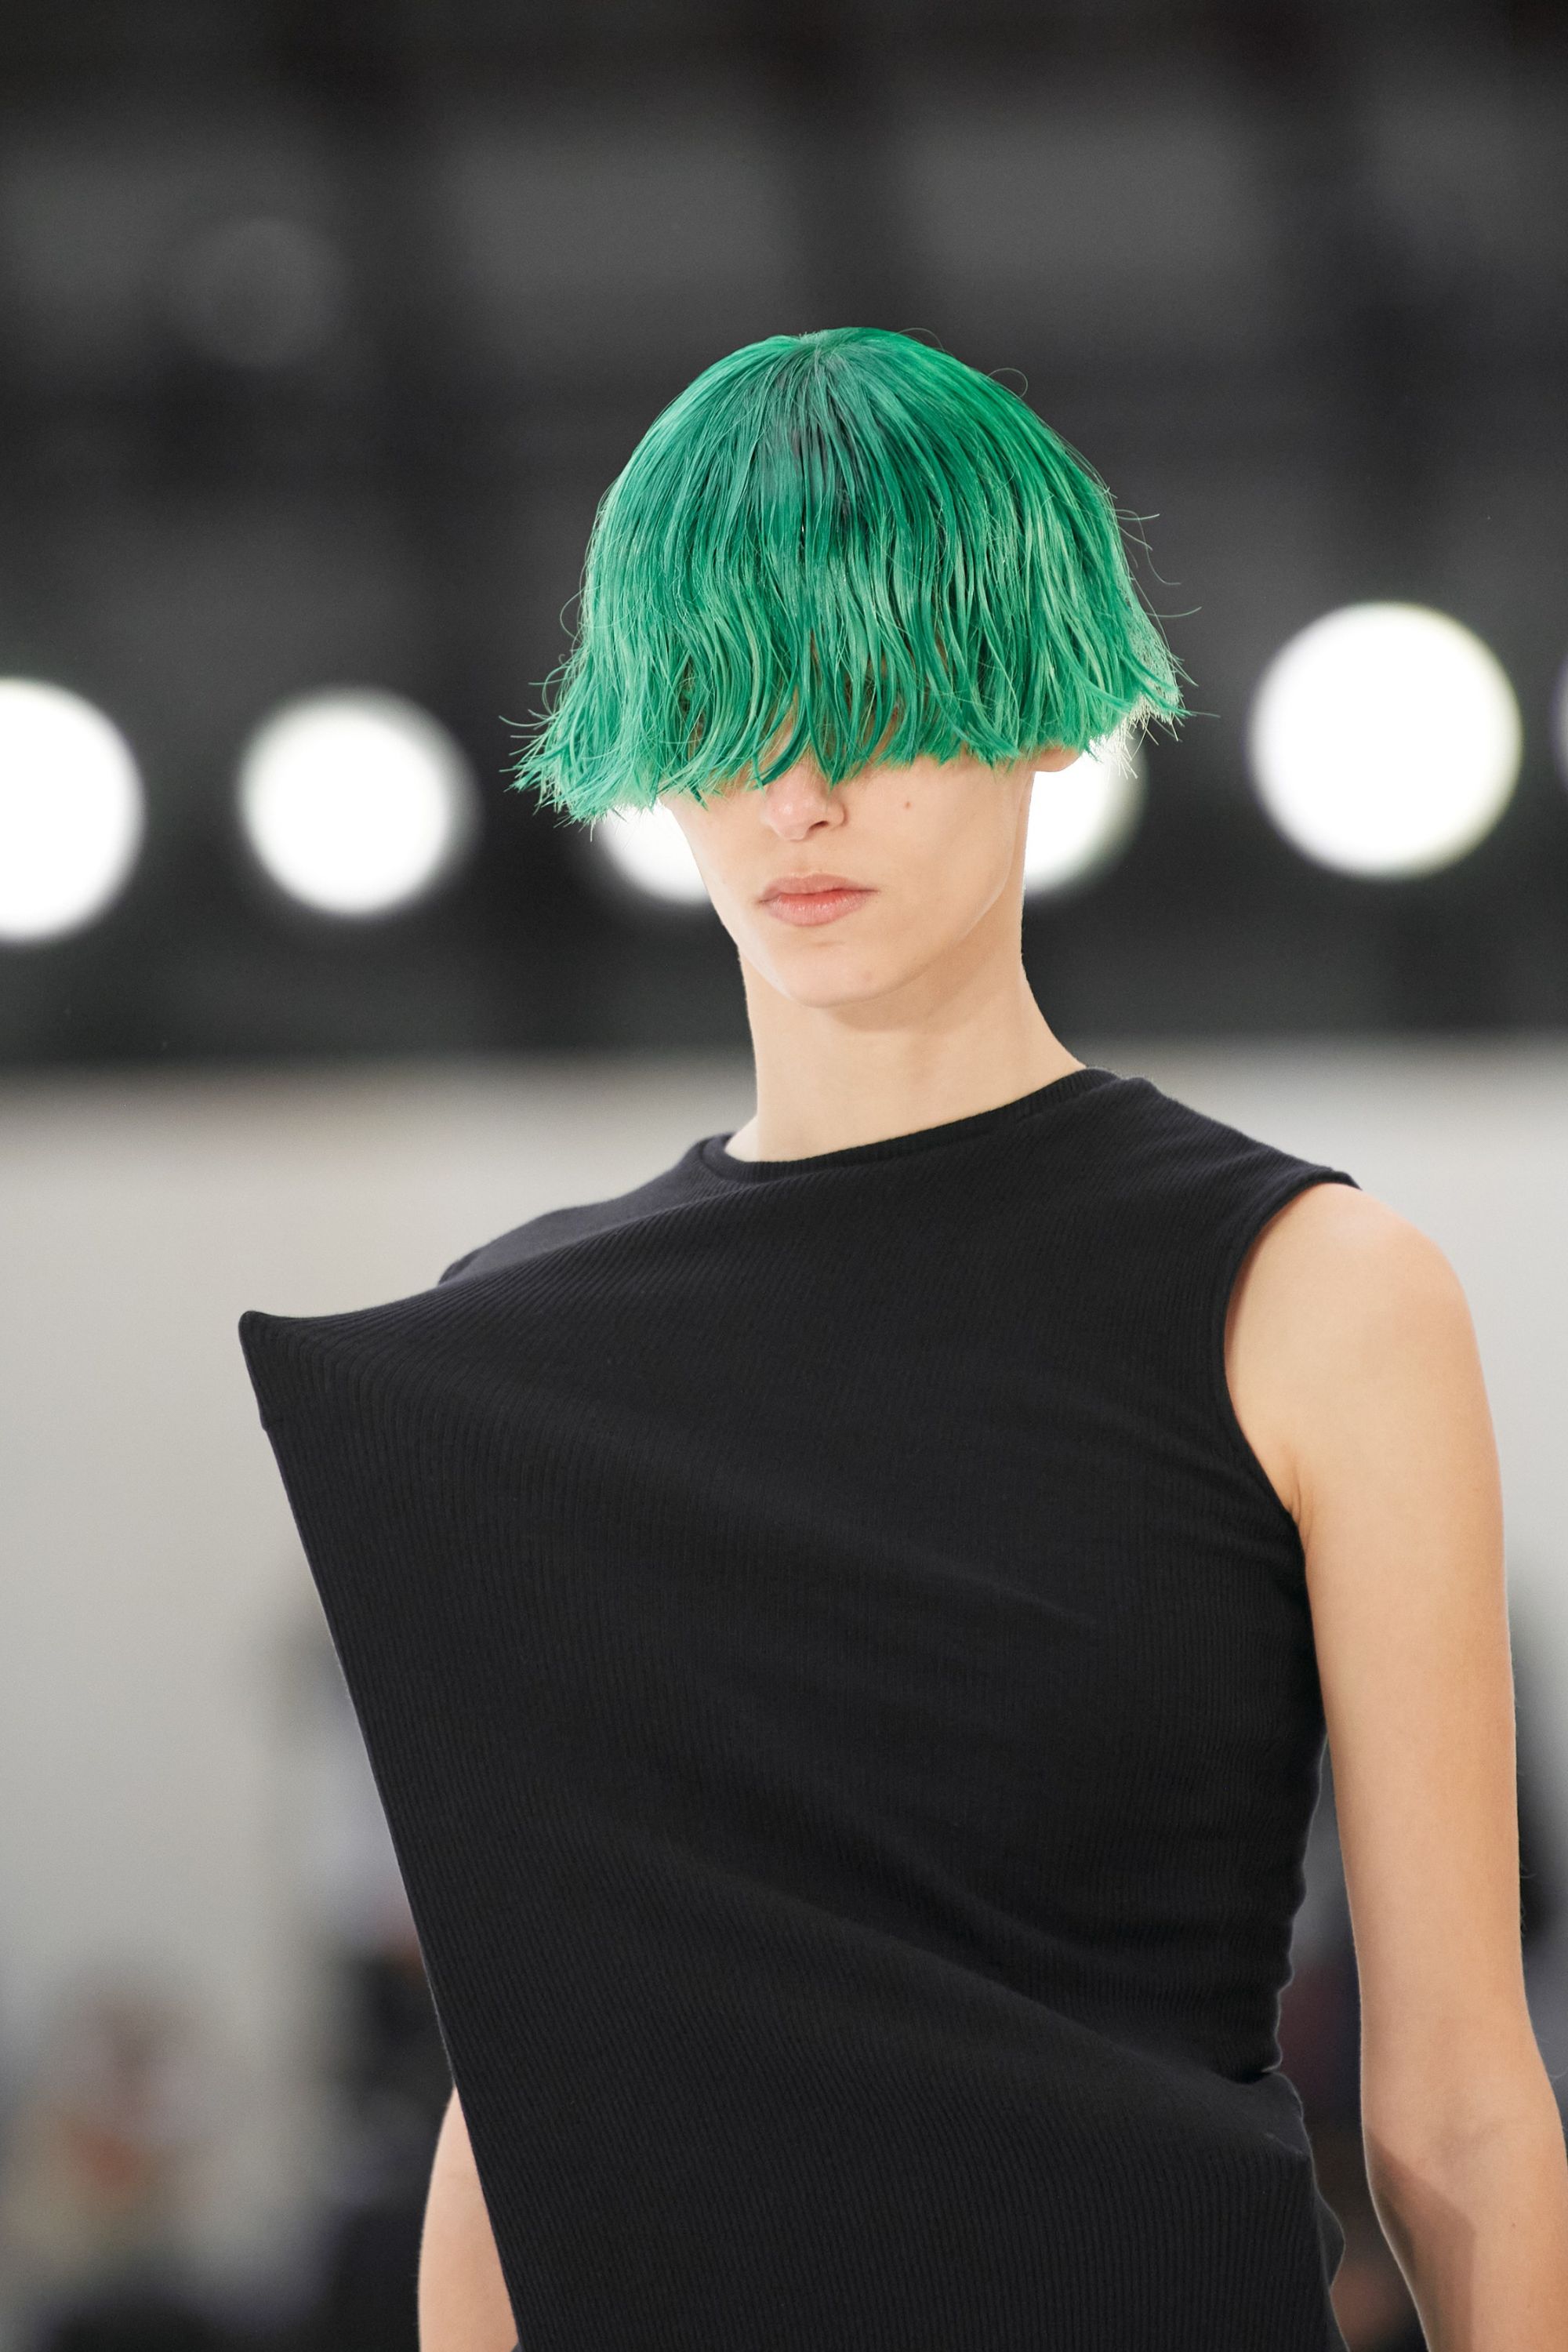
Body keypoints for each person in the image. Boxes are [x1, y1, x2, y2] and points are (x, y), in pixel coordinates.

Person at [240, 328, 1568, 2350]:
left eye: (879, 699)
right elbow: (520, 2113)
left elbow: (1460, 2092)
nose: (800, 790)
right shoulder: (509, 1365)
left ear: (1039, 708)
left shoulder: (1314, 1296)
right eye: (730, 709)